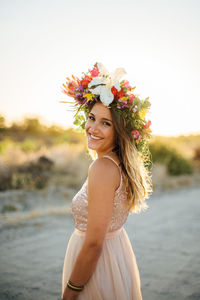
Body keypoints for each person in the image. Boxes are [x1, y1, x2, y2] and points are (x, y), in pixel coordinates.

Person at [60, 62, 153, 300]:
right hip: (115, 258)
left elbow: (93, 245)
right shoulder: (119, 163)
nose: (92, 128)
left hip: (98, 269)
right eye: (91, 118)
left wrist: (70, 292)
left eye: (106, 123)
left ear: (119, 131)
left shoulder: (102, 168)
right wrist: (82, 94)